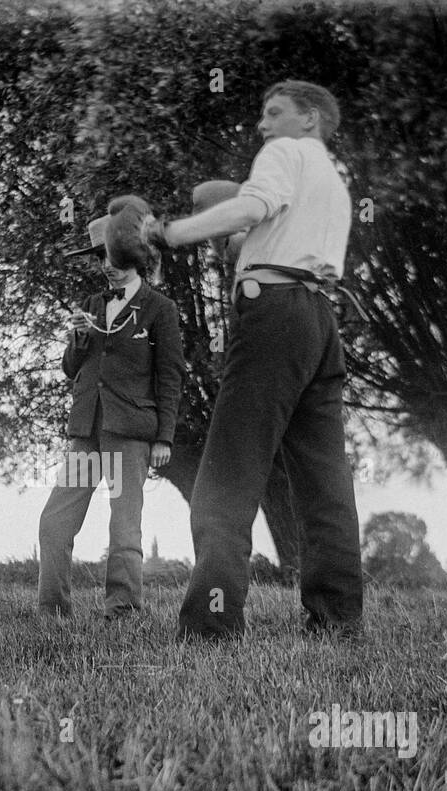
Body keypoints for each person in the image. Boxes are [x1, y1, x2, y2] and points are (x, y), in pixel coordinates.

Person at [142, 80, 363, 641]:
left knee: (227, 474)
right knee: (325, 482)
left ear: (309, 119)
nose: (263, 125)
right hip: (320, 320)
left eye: (274, 113)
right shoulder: (332, 182)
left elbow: (252, 205)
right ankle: (338, 623)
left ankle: (211, 625)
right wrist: (236, 241)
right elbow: (269, 231)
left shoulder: (283, 153)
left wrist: (170, 234)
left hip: (273, 316)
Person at [38, 198, 183, 620]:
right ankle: (53, 611)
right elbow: (71, 370)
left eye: (114, 255)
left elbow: (170, 377)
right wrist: (79, 338)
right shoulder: (92, 303)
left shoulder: (161, 310)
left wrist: (164, 437)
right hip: (86, 429)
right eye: (101, 256)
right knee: (55, 522)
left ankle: (123, 610)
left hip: (131, 431)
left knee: (124, 526)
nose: (107, 264)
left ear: (135, 257)